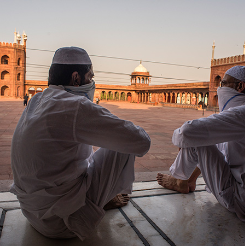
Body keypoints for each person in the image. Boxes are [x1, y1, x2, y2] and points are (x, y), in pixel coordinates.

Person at [10, 47, 150, 240]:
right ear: (76, 78)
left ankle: (94, 198)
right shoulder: (75, 105)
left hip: (33, 214)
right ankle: (100, 201)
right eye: (90, 77)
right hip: (64, 222)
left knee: (91, 144)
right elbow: (142, 142)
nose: (92, 83)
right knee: (125, 144)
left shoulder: (36, 100)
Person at [157, 66, 245, 237]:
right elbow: (216, 145)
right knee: (209, 138)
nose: (219, 88)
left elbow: (187, 132)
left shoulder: (244, 113)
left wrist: (185, 141)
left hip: (242, 200)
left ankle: (180, 181)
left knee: (196, 136)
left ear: (240, 87)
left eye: (223, 83)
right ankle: (189, 180)